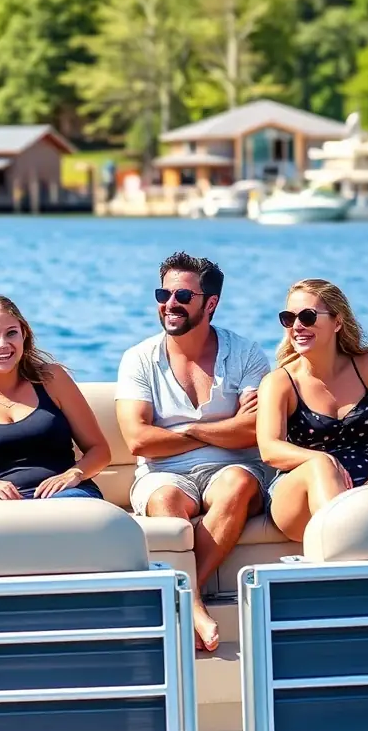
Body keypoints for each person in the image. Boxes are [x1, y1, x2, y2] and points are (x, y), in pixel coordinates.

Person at [115, 252, 270, 652]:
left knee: (237, 483)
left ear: (210, 303)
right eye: (162, 293)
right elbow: (138, 440)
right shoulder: (138, 359)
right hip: (162, 473)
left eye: (183, 295)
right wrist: (222, 429)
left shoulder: (246, 354)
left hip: (233, 467)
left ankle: (189, 593)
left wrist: (188, 430)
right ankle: (195, 600)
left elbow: (254, 429)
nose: (170, 303)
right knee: (166, 499)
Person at [257, 278, 368, 542]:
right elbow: (270, 448)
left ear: (338, 322)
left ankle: (362, 541)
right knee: (320, 467)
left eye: (307, 316)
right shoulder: (280, 382)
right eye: (289, 318)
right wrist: (316, 458)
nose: (297, 326)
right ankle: (341, 544)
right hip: (302, 492)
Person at [0, 294, 111, 500]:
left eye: (11, 333)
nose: (3, 344)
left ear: (24, 335)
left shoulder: (53, 380)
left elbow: (100, 451)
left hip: (65, 496)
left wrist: (74, 473)